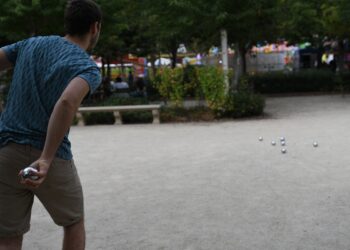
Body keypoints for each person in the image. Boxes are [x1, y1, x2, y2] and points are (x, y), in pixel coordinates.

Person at [0, 0, 102, 249]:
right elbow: (67, 101)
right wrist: (46, 158)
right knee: (73, 221)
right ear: (95, 27)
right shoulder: (87, 68)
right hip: (51, 157)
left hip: (6, 150)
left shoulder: (30, 45)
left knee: (9, 235)